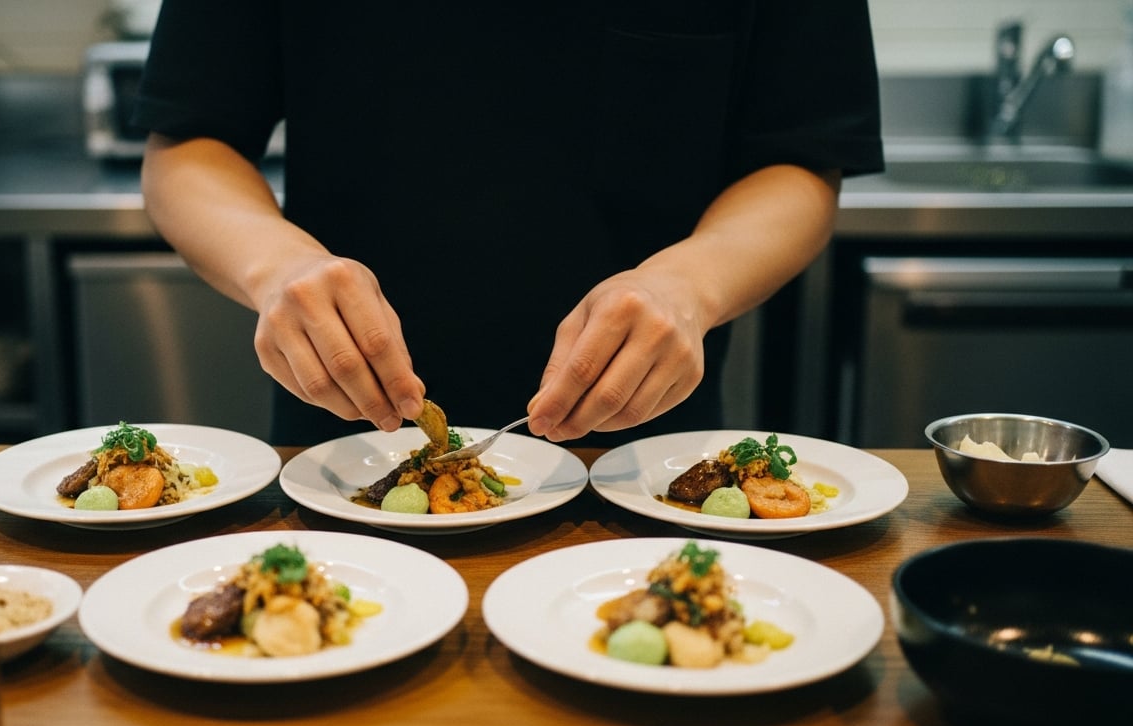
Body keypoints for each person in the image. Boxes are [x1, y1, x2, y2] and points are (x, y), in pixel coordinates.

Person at [134, 2, 883, 448]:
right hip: (346, 445)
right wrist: (276, 267)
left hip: (640, 452)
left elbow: (801, 161)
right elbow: (187, 146)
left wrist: (691, 284)